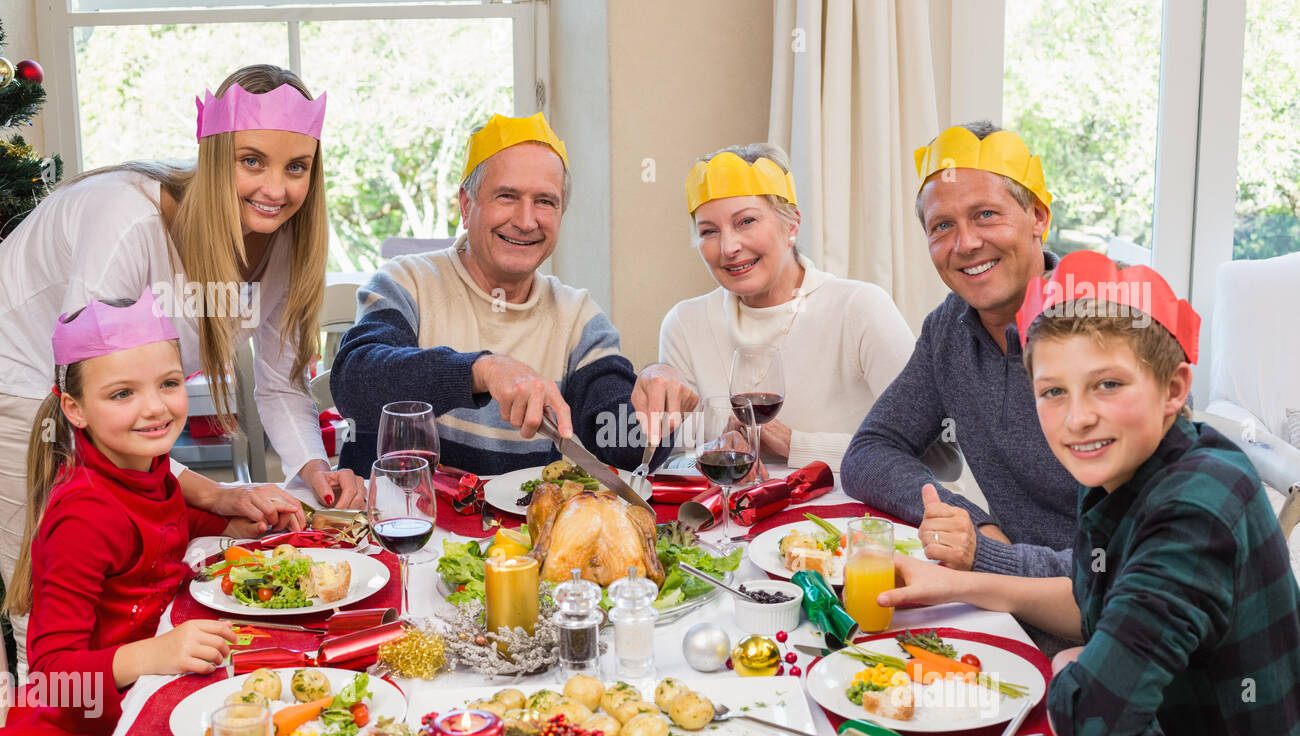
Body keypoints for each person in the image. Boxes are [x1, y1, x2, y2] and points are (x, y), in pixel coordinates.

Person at [879, 252, 1300, 736]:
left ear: (1174, 388)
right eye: (1053, 392)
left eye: (1108, 383)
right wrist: (959, 582)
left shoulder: (1195, 509)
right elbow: (1090, 598)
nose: (1077, 418)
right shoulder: (1129, 466)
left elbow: (1091, 727)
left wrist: (1075, 664)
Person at [0, 64, 364, 686]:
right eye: (253, 161)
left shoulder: (281, 242)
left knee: (144, 607)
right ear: (216, 154)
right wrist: (214, 494)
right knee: (44, 619)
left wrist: (316, 470)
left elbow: (279, 386)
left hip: (103, 404)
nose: (276, 188)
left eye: (296, 167)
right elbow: (97, 401)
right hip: (28, 393)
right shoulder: (129, 223)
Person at [0, 292, 287, 736]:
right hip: (90, 722)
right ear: (74, 409)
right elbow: (51, 677)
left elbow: (166, 523)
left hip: (156, 686)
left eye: (169, 384)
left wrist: (234, 523)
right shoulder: (84, 514)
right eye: (122, 394)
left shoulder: (146, 467)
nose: (155, 407)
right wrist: (155, 653)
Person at [331, 112, 697, 476]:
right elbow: (355, 383)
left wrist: (654, 398)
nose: (526, 220)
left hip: (518, 533)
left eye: (545, 202)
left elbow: (624, 446)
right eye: (507, 196)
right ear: (466, 204)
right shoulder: (407, 281)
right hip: (404, 521)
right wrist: (482, 370)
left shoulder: (577, 316)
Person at [840, 122, 1079, 588]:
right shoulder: (949, 328)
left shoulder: (1101, 328)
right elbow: (869, 452)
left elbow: (1130, 561)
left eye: (986, 214)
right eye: (943, 226)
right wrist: (972, 522)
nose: (966, 243)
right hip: (1001, 594)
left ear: (1039, 217)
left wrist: (992, 556)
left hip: (1106, 617)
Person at [658, 144, 925, 473]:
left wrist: (795, 444)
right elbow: (670, 463)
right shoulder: (684, 324)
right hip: (731, 523)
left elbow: (934, 454)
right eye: (709, 231)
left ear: (792, 226)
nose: (728, 247)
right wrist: (714, 448)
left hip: (851, 522)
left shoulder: (860, 308)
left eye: (746, 221)